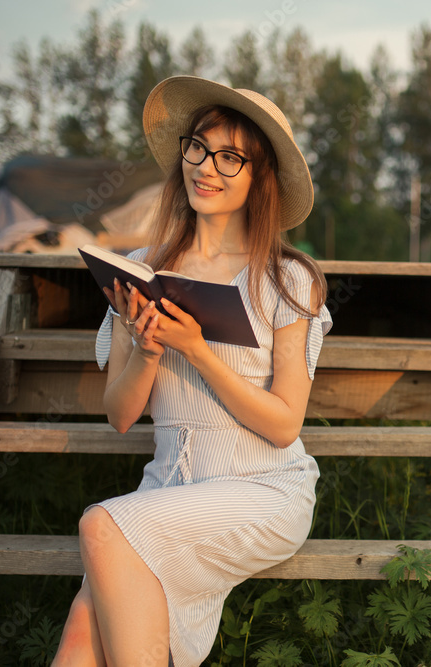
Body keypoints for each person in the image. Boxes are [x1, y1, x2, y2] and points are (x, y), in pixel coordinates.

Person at [52, 76, 332, 667]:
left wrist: (198, 350)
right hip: (170, 491)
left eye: (231, 157)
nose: (207, 167)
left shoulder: (285, 278)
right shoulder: (138, 269)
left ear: (259, 177)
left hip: (262, 489)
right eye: (198, 147)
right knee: (83, 634)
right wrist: (149, 349)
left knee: (101, 527)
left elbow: (284, 425)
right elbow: (121, 415)